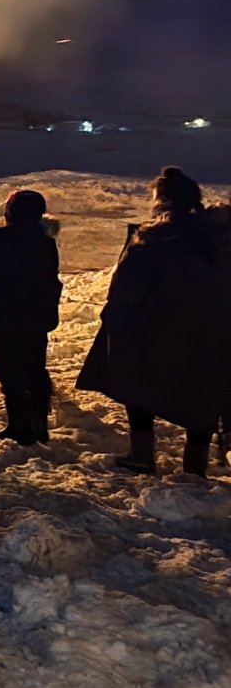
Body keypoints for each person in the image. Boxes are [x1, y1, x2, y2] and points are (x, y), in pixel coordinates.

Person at [77, 167, 231, 476]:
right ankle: (195, 467)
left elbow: (127, 289)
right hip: (212, 334)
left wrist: (114, 322)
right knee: (202, 393)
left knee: (136, 382)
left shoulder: (154, 239)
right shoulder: (220, 237)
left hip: (156, 332)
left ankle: (142, 454)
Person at [0, 189, 62, 446]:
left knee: (8, 368)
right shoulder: (45, 242)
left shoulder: (0, 240)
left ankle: (20, 426)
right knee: (34, 367)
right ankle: (38, 424)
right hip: (37, 313)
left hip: (5, 312)